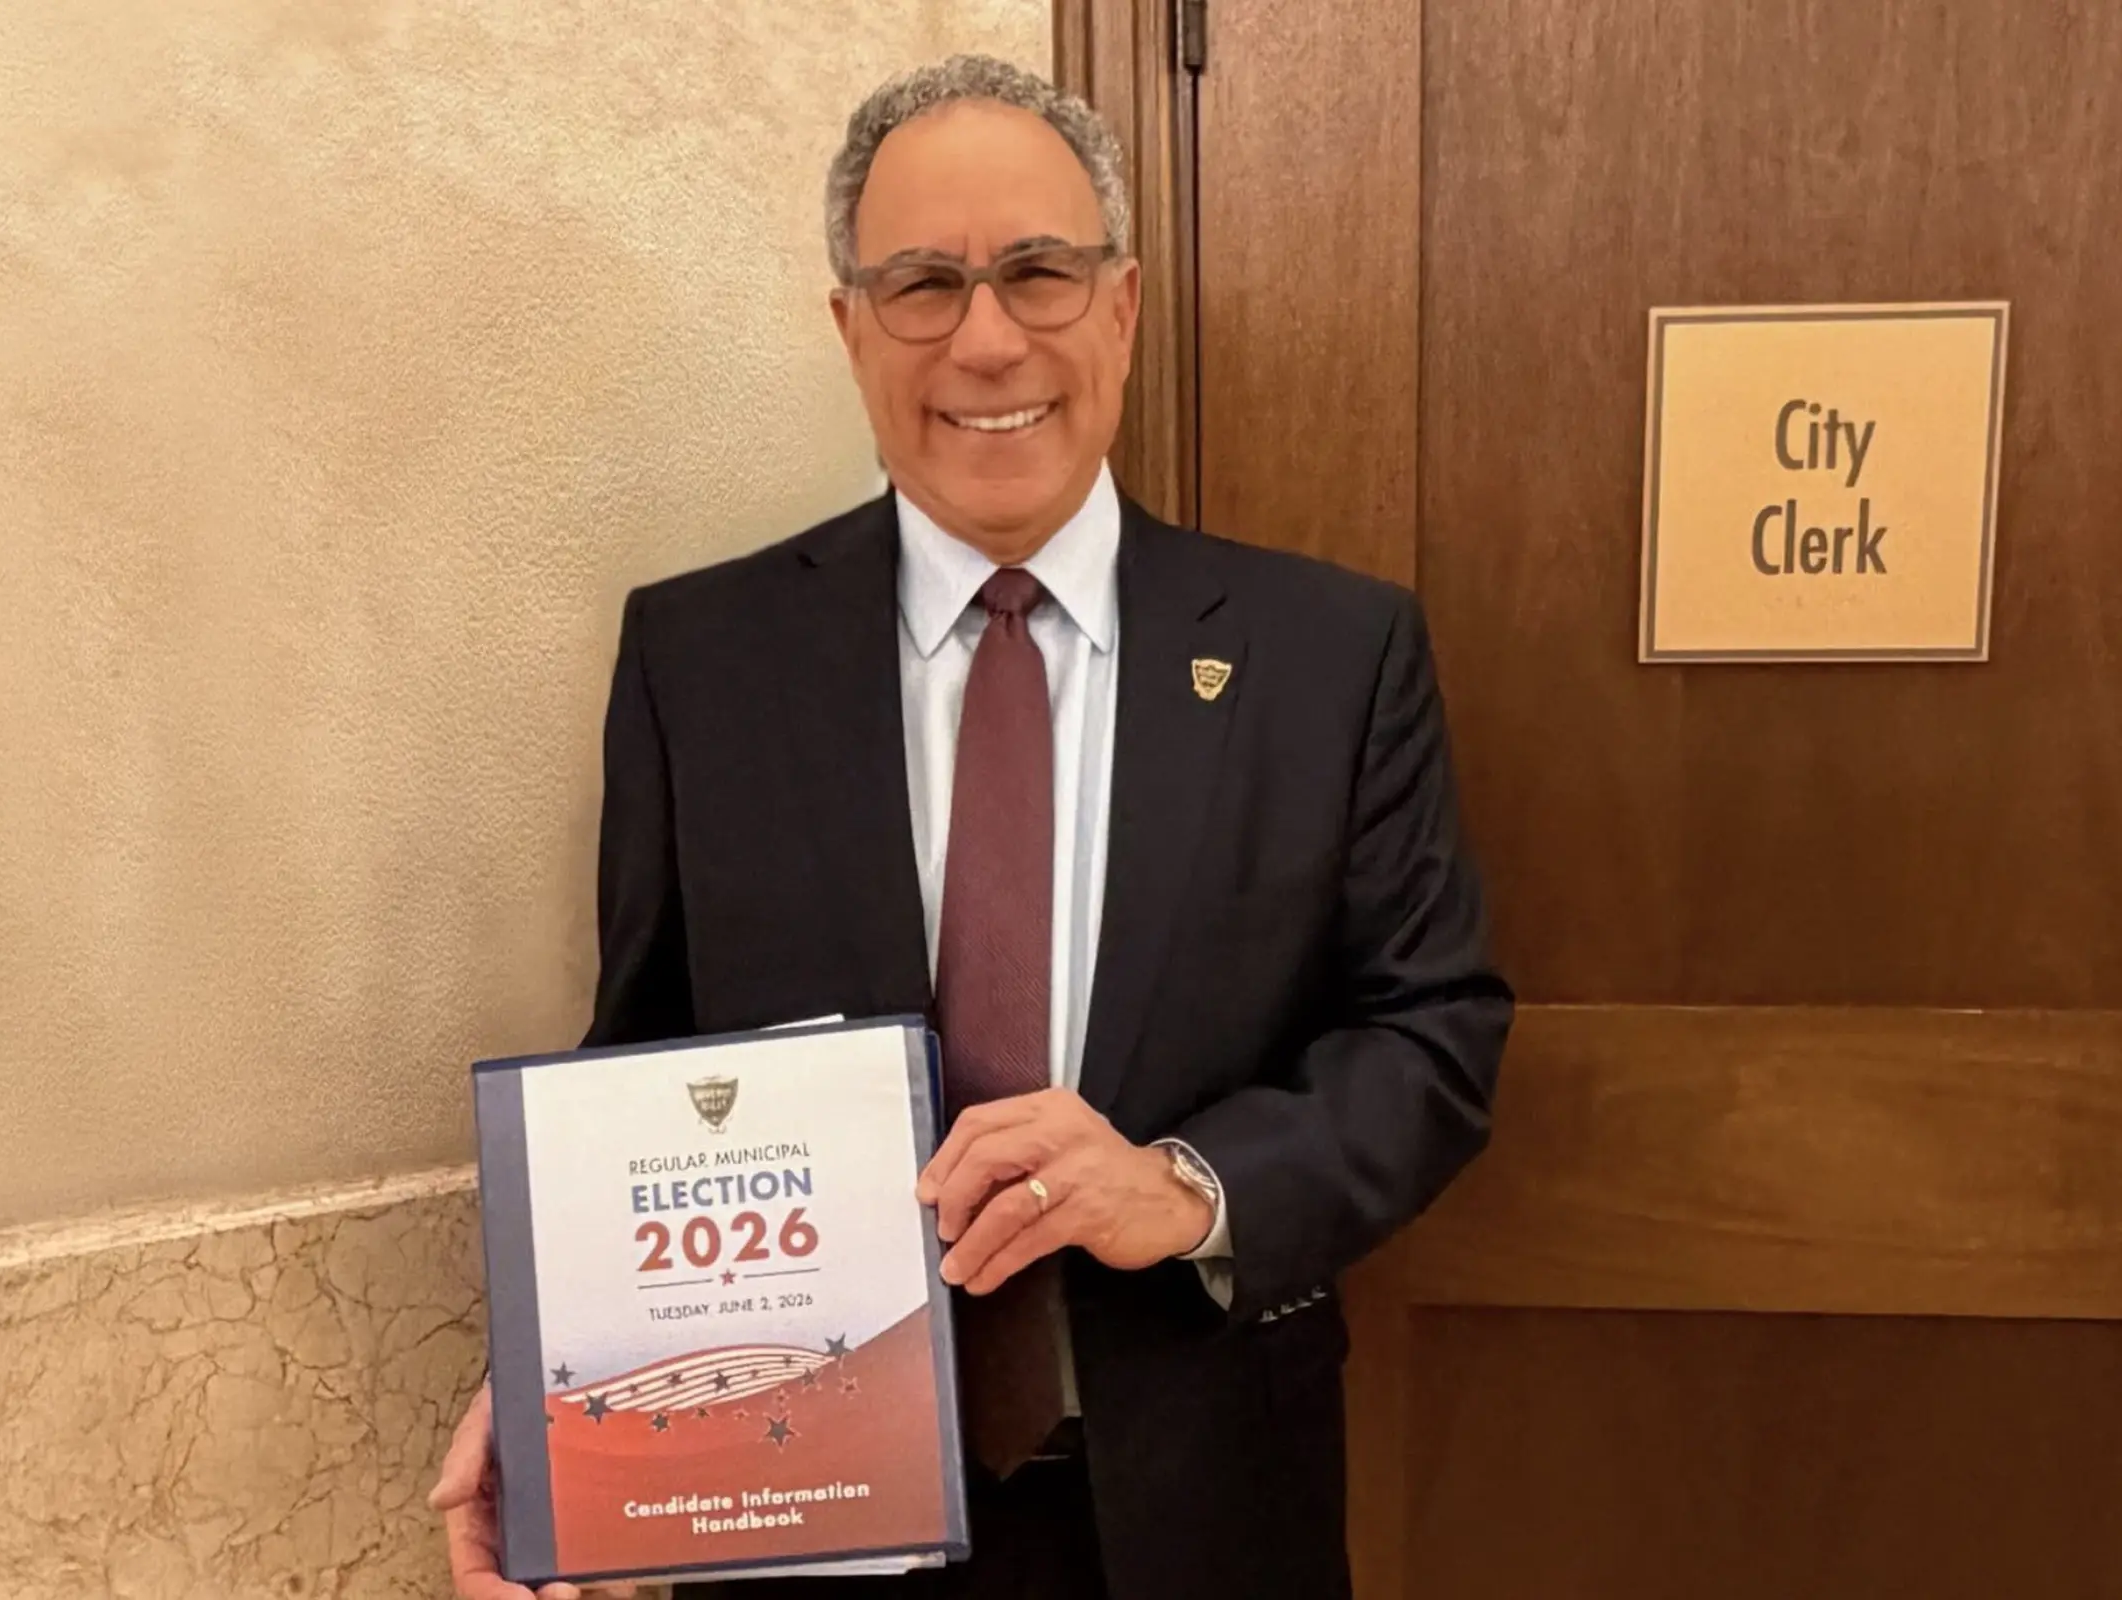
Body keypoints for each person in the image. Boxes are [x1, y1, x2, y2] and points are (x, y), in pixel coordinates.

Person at [430, 53, 1513, 1600]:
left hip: (1209, 1498)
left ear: (1122, 306)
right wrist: (569, 1404)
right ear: (850, 327)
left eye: (1038, 273)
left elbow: (1434, 1034)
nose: (988, 335)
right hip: (803, 1511)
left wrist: (1191, 1183)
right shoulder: (703, 660)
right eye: (924, 283)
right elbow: (653, 1070)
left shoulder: (1330, 656)